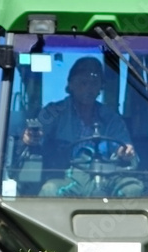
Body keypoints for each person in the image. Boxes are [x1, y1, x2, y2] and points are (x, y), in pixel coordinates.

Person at [21, 57, 140, 195]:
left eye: (94, 83)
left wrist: (125, 153)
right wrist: (30, 138)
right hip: (66, 175)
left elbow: (126, 148)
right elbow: (36, 135)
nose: (88, 88)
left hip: (107, 175)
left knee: (132, 189)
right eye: (83, 83)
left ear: (100, 87)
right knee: (50, 190)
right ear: (71, 84)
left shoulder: (111, 118)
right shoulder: (53, 112)